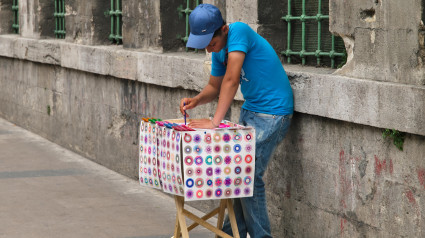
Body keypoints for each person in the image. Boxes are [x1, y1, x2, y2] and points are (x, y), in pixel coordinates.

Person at [179, 4, 294, 238]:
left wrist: (214, 123)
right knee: (235, 174)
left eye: (212, 43)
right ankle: (233, 233)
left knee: (248, 175)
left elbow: (231, 80)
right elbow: (214, 86)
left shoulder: (239, 31)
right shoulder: (218, 50)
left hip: (273, 114)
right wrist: (196, 100)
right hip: (251, 111)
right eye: (206, 47)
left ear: (223, 29)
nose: (210, 50)